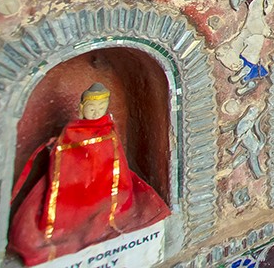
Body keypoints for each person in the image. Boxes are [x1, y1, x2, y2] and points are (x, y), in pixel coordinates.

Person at [9, 84, 170, 265]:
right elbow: (67, 161)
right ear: (81, 108)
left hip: (104, 181)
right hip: (74, 185)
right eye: (92, 108)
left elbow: (115, 158)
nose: (96, 113)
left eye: (101, 109)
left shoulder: (108, 129)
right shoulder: (72, 132)